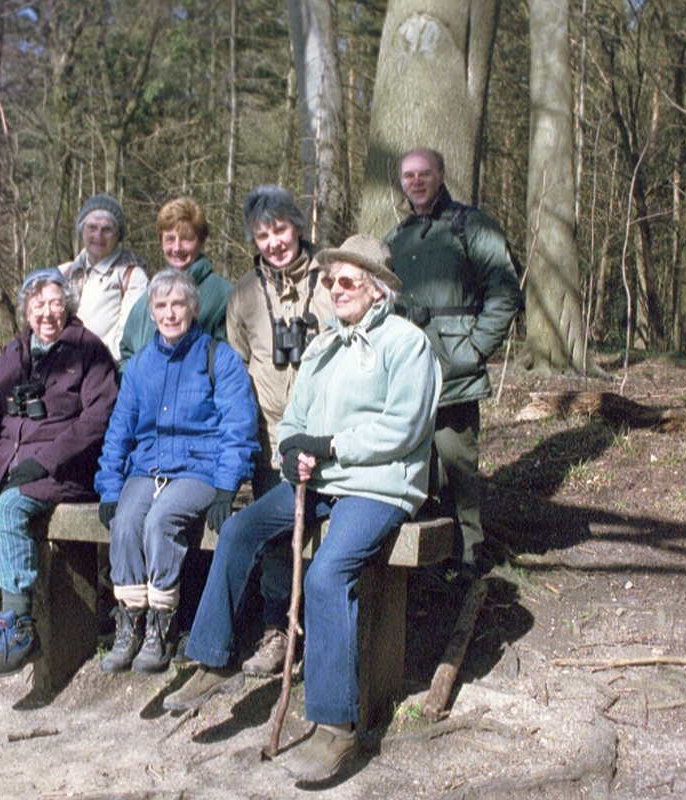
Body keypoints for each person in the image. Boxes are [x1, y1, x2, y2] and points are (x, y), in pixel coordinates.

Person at [165, 235, 440, 783]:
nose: (335, 289)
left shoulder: (407, 345)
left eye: (348, 281)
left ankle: (336, 724)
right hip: (317, 480)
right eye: (332, 280)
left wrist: (331, 446)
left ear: (378, 291)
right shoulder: (322, 348)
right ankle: (215, 656)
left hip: (379, 486)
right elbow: (292, 420)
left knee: (326, 575)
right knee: (240, 528)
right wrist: (292, 450)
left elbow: (404, 426)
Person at [0, 268, 118, 678]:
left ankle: (19, 625)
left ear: (67, 306)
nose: (47, 313)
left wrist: (44, 460)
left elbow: (98, 419)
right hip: (3, 470)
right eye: (38, 305)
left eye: (55, 303)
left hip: (60, 473)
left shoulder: (89, 351)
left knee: (8, 512)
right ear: (26, 312)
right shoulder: (14, 353)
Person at [95, 269, 259, 674]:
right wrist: (110, 487)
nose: (170, 313)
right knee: (128, 521)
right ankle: (129, 622)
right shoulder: (139, 367)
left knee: (161, 521)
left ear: (193, 308)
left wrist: (226, 486)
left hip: (198, 469)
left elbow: (238, 426)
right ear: (151, 313)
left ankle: (162, 623)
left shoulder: (218, 357)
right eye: (161, 306)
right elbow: (119, 430)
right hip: (146, 467)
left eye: (178, 304)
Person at [384, 148, 523, 575]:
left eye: (425, 173)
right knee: (414, 468)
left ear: (442, 175)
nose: (417, 181)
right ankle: (425, 561)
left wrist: (476, 348)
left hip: (455, 371)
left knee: (457, 466)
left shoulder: (471, 226)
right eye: (409, 175)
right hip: (409, 372)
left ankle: (468, 557)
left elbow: (505, 291)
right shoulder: (397, 237)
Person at [225, 185, 335, 677]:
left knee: (323, 537)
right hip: (270, 440)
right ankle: (277, 631)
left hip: (323, 439)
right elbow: (235, 365)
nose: (273, 242)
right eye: (262, 234)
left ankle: (322, 630)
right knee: (274, 540)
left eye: (281, 230)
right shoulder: (244, 294)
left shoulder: (332, 281)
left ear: (299, 228)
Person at [117, 197, 230, 371]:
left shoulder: (223, 295)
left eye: (186, 239)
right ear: (161, 242)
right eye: (170, 239)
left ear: (200, 241)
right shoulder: (149, 295)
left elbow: (228, 363)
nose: (177, 248)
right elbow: (127, 354)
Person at [59, 194, 148, 362]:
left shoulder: (133, 277)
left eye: (107, 229)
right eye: (92, 227)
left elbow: (127, 339)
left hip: (105, 369)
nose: (98, 236)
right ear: (81, 231)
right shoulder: (65, 273)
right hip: (63, 367)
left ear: (118, 235)